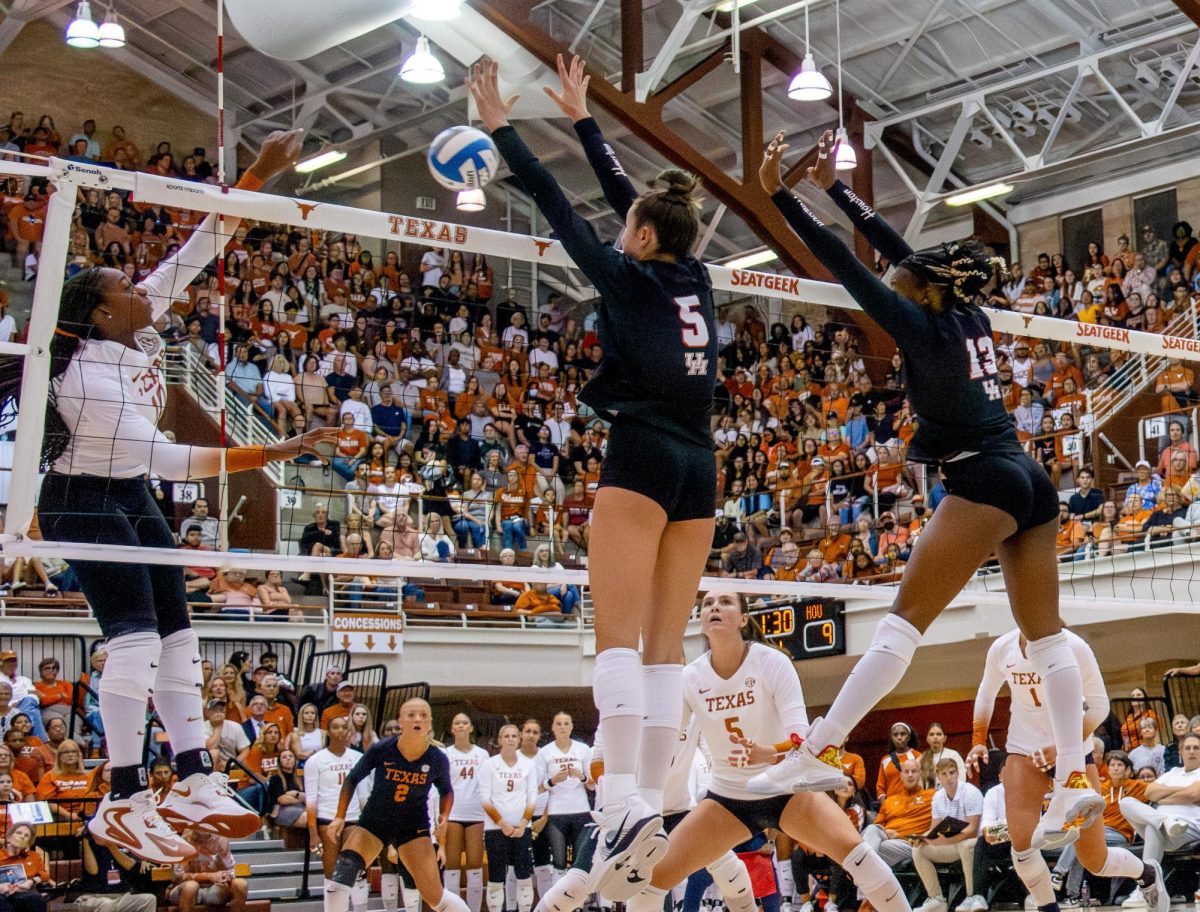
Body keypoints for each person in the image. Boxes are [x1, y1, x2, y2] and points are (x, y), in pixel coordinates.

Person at [753, 130, 1100, 848]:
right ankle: (1074, 778)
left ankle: (814, 752)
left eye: (909, 278)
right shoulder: (966, 313)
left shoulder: (918, 325)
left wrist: (781, 195)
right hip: (1029, 476)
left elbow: (850, 262)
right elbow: (895, 248)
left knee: (899, 628)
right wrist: (839, 187)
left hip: (981, 474)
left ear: (925, 291)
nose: (900, 277)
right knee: (1048, 638)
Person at [0, 130, 337, 864]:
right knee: (137, 639)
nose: (139, 288)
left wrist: (260, 172)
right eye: (124, 290)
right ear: (99, 315)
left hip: (127, 491)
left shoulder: (129, 322)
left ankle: (190, 776)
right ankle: (122, 797)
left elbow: (198, 248)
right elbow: (168, 454)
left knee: (181, 632)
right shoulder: (85, 378)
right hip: (79, 498)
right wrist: (274, 452)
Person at [469, 57, 720, 894]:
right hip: (702, 467)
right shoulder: (694, 274)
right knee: (661, 647)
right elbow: (632, 205)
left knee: (615, 636)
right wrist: (583, 120)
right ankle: (646, 800)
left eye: (629, 233)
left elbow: (558, 201)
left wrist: (503, 124)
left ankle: (616, 800)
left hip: (644, 453)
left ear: (643, 240)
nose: (619, 237)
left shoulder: (625, 270)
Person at [622, 592, 909, 912]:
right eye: (707, 604)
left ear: (743, 620)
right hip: (727, 799)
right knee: (650, 880)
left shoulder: (772, 662)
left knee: (861, 859)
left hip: (786, 791)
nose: (714, 607)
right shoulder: (690, 677)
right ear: (701, 622)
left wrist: (769, 752)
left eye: (726, 602)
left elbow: (802, 739)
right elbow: (667, 740)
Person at [968, 629, 1170, 912]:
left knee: (1095, 861)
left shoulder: (1075, 646)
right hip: (1023, 748)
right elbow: (986, 691)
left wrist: (1062, 746)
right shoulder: (1002, 648)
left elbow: (1099, 706)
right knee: (1023, 851)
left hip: (1073, 751)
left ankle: (1147, 874)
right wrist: (978, 740)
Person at [322, 699, 469, 912]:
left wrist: (444, 818)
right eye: (411, 715)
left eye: (422, 715)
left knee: (436, 898)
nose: (417, 719)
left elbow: (446, 792)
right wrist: (339, 816)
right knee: (338, 883)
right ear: (401, 721)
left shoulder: (437, 759)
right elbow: (352, 779)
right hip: (375, 821)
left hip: (413, 826)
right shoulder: (382, 749)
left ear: (429, 722)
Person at [910, 759, 985, 912]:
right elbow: (934, 828)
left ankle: (971, 896)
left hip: (973, 844)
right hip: (950, 844)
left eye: (952, 773)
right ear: (938, 776)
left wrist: (947, 840)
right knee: (918, 849)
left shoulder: (971, 792)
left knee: (967, 845)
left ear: (957, 773)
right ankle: (936, 899)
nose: (949, 777)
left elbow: (972, 829)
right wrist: (922, 837)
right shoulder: (938, 797)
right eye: (944, 774)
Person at [477, 724, 537, 912]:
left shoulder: (528, 764)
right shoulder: (489, 764)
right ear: (500, 740)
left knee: (524, 874)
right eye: (506, 736)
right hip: (495, 829)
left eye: (514, 736)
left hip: (522, 828)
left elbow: (532, 795)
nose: (510, 739)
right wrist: (502, 823)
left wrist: (524, 823)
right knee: (496, 876)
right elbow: (484, 798)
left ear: (519, 739)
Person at [305, 717, 367, 885]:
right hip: (327, 819)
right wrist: (313, 833)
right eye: (335, 727)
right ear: (328, 731)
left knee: (354, 871)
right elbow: (311, 800)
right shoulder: (315, 760)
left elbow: (363, 795)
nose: (340, 731)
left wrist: (368, 825)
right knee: (332, 873)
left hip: (353, 818)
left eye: (344, 727)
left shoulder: (358, 757)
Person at [537, 712, 593, 885]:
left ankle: (577, 902)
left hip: (581, 810)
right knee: (559, 860)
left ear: (571, 726)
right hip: (556, 813)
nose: (562, 727)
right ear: (553, 727)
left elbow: (592, 785)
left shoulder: (583, 749)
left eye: (566, 723)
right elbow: (537, 788)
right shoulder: (545, 752)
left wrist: (582, 777)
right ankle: (558, 902)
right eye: (558, 723)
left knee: (579, 861)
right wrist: (552, 781)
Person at [443, 713, 488, 912]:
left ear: (471, 728)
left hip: (476, 814)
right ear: (452, 729)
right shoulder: (445, 754)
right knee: (452, 867)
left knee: (475, 868)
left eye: (465, 723)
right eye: (457, 723)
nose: (461, 726)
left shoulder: (482, 754)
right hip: (453, 814)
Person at [76, 828, 158, 912]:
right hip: (93, 897)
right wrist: (85, 838)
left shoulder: (122, 842)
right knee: (107, 904)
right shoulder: (89, 841)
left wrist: (110, 845)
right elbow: (92, 871)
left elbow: (130, 865)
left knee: (149, 899)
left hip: (121, 896)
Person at [167, 829, 248, 912]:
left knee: (240, 884)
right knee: (191, 886)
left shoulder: (221, 840)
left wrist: (225, 875)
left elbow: (231, 870)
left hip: (214, 888)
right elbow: (179, 876)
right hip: (186, 889)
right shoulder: (184, 841)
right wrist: (208, 876)